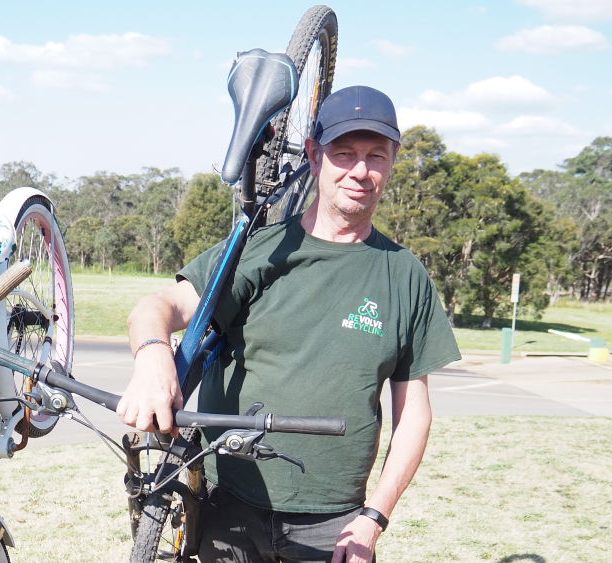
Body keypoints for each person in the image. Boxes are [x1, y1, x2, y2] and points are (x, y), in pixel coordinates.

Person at [117, 86, 460, 563]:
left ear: (392, 161)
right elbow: (157, 308)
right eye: (344, 153)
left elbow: (413, 414)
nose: (360, 171)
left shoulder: (404, 275)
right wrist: (154, 358)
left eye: (375, 155)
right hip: (226, 507)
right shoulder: (260, 248)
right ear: (315, 157)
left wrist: (374, 518)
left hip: (334, 525)